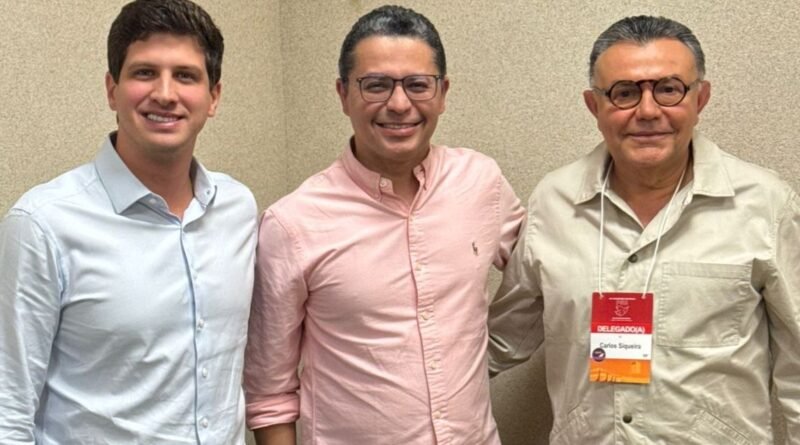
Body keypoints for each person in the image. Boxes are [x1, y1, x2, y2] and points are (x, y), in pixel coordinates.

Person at [488, 15, 800, 444]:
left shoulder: (765, 204)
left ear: (701, 98)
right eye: (625, 93)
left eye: (669, 89)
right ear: (594, 106)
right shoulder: (554, 202)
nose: (648, 111)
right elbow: (503, 339)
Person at [243, 5, 524, 445]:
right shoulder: (292, 224)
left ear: (443, 93)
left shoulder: (482, 183)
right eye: (376, 85)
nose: (399, 104)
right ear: (343, 94)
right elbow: (269, 394)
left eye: (418, 84)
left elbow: (547, 268)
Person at [0, 0, 257, 443]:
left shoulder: (238, 209)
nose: (165, 93)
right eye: (144, 72)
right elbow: (8, 408)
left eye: (185, 75)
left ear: (213, 97)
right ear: (111, 90)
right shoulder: (42, 225)